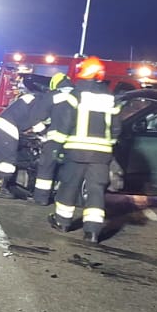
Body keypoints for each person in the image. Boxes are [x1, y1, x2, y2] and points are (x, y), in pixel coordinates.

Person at [49, 57, 120, 242]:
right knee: (96, 190)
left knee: (70, 185)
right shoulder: (110, 97)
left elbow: (65, 123)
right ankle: (92, 231)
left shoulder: (76, 94)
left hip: (76, 151)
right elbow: (116, 128)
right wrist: (108, 145)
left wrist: (58, 146)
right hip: (101, 154)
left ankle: (62, 222)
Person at [0, 74, 50, 198]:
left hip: (1, 123)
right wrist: (45, 134)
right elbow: (34, 119)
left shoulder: (29, 97)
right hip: (9, 127)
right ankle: (1, 188)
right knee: (8, 159)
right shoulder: (39, 100)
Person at [31, 72, 72, 205]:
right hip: (76, 141)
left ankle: (41, 198)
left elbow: (37, 117)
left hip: (55, 139)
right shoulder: (80, 95)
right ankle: (66, 198)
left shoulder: (53, 96)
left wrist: (42, 132)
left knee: (46, 167)